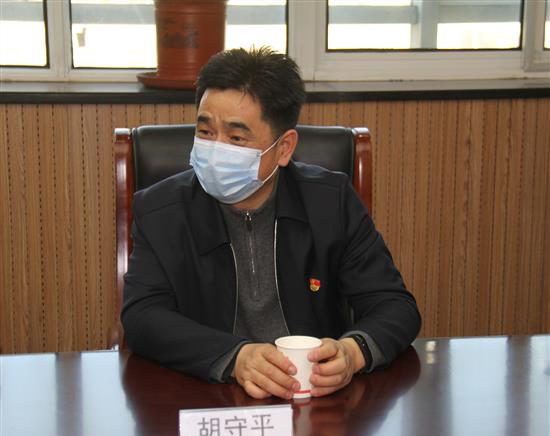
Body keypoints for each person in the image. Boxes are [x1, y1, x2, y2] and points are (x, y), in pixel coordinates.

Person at [122, 47, 421, 400]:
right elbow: (142, 317)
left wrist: (352, 353)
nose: (215, 150)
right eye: (205, 131)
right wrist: (235, 357)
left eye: (236, 138)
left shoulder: (330, 201)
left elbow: (395, 305)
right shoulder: (160, 211)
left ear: (284, 148)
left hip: (313, 398)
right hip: (208, 397)